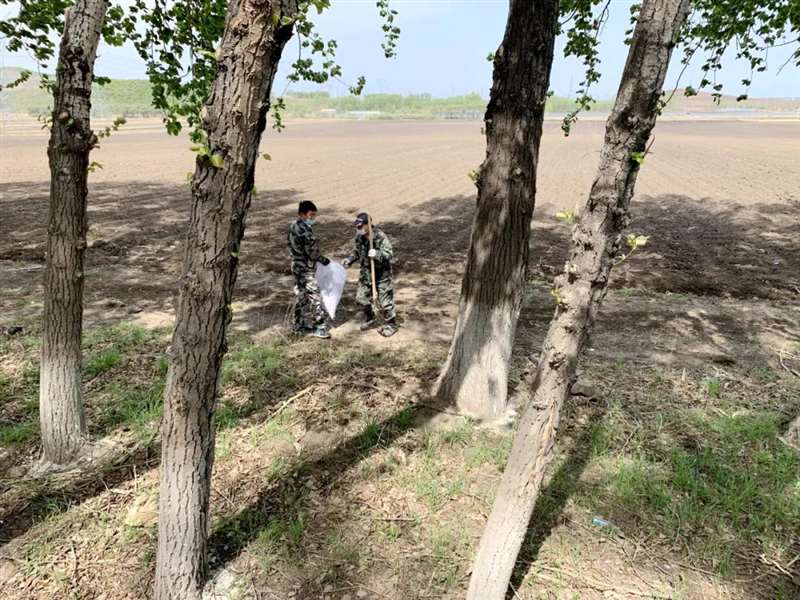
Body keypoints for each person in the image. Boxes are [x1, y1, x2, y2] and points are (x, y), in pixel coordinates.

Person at [343, 212, 398, 337]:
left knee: (385, 302)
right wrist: (349, 260)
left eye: (360, 226)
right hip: (366, 274)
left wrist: (377, 254)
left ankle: (392, 324)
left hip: (382, 274)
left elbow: (389, 254)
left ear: (368, 224)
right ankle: (371, 318)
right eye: (357, 226)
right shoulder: (359, 237)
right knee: (361, 299)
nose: (358, 229)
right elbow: (356, 252)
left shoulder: (380, 236)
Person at [287, 200, 331, 339]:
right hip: (306, 268)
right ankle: (320, 326)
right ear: (302, 214)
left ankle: (297, 324)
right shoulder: (305, 231)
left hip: (296, 265)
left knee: (301, 294)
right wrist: (324, 260)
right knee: (314, 295)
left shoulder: (293, 226)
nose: (313, 218)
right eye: (311, 215)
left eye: (314, 215)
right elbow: (312, 253)